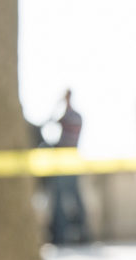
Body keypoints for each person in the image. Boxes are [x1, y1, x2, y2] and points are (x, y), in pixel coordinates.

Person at [48, 90, 88, 245]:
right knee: (73, 198)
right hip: (71, 161)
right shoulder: (75, 116)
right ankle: (79, 234)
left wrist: (58, 105)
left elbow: (49, 121)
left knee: (63, 199)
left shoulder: (69, 117)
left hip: (66, 162)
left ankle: (61, 235)